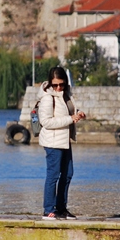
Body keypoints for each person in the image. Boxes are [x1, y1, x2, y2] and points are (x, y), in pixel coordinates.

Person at [38, 66, 85, 220]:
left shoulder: (66, 94)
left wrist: (78, 114)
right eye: (55, 85)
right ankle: (48, 210)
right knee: (53, 175)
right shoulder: (47, 98)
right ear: (50, 84)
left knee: (68, 174)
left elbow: (68, 111)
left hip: (64, 140)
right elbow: (46, 122)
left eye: (61, 84)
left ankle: (61, 208)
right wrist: (70, 119)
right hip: (52, 141)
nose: (58, 88)